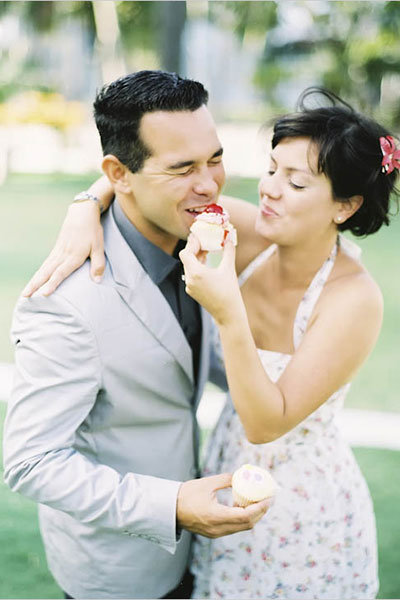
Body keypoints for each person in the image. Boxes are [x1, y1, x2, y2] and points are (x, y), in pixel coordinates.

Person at [20, 88, 398, 599]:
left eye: (297, 182)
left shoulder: (353, 297)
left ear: (346, 205)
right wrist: (86, 204)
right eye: (271, 170)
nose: (269, 190)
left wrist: (227, 311)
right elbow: (150, 179)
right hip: (219, 486)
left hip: (302, 506)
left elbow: (266, 422)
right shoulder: (249, 230)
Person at [3, 70, 270, 600]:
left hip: (204, 556)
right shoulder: (65, 303)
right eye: (182, 168)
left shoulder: (198, 236)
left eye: (214, 158)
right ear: (118, 174)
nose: (210, 184)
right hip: (119, 574)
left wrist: (89, 197)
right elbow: (29, 462)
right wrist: (168, 505)